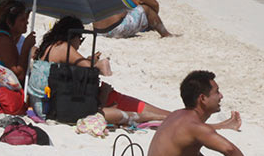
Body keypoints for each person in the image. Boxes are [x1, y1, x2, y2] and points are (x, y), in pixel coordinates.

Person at [147, 71, 264, 156]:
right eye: (216, 92)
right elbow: (230, 150)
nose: (221, 96)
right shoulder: (196, 126)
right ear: (202, 98)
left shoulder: (176, 115)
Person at [34, 16, 172, 125]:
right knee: (115, 97)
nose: (79, 44)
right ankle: (168, 115)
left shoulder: (50, 47)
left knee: (113, 97)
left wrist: (88, 60)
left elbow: (74, 68)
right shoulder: (64, 47)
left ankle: (167, 115)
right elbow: (97, 70)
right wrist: (95, 62)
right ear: (73, 35)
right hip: (62, 105)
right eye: (80, 40)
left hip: (52, 101)